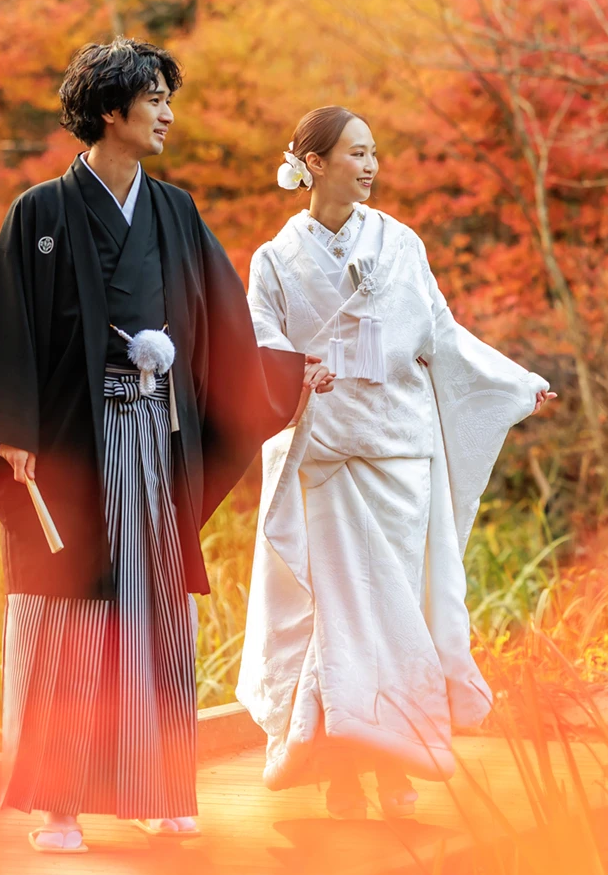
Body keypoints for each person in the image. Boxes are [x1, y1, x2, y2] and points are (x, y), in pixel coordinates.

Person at [0, 39, 268, 853]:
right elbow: (10, 328)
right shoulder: (41, 214)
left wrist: (284, 379)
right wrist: (12, 431)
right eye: (154, 99)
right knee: (69, 614)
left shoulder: (176, 211)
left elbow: (225, 323)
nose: (167, 114)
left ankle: (162, 787)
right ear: (108, 112)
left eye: (168, 98)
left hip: (155, 436)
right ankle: (59, 803)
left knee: (155, 606)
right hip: (69, 444)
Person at [236, 106, 557, 818]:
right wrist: (295, 373)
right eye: (356, 153)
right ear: (313, 163)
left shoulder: (402, 245)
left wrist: (513, 384)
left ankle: (398, 756)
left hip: (396, 452)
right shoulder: (274, 260)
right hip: (323, 451)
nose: (372, 165)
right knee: (335, 610)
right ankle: (343, 767)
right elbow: (258, 341)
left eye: (374, 152)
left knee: (395, 608)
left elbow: (441, 335)